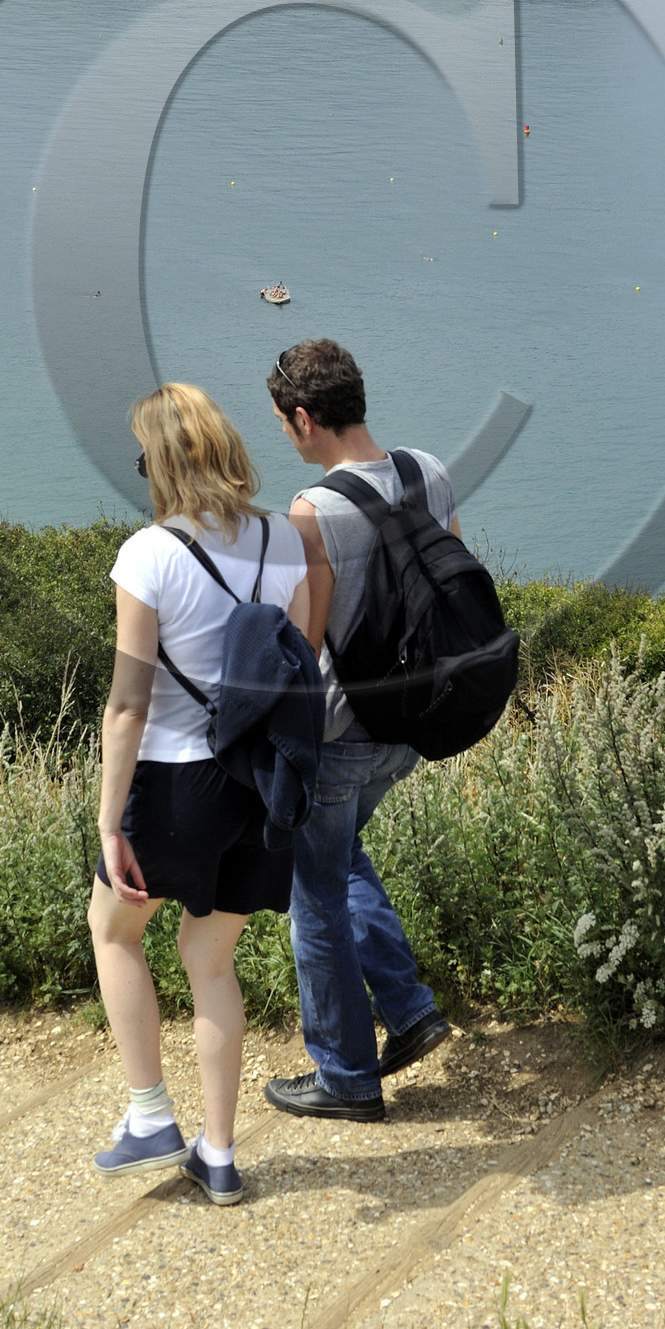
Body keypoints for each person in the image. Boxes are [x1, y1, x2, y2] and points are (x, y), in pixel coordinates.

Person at [89, 380, 309, 1204]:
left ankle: (150, 1114)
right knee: (209, 958)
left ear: (160, 462)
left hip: (175, 782)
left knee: (114, 929)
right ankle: (218, 1153)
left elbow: (128, 703)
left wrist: (111, 821)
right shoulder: (286, 542)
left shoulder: (147, 554)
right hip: (261, 787)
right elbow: (302, 667)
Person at [264, 339, 453, 1120]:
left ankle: (344, 1074)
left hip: (344, 732)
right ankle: (408, 1010)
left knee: (314, 893)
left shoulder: (313, 512)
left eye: (282, 422)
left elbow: (303, 647)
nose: (285, 433)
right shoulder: (428, 470)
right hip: (413, 722)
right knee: (341, 860)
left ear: (304, 418)